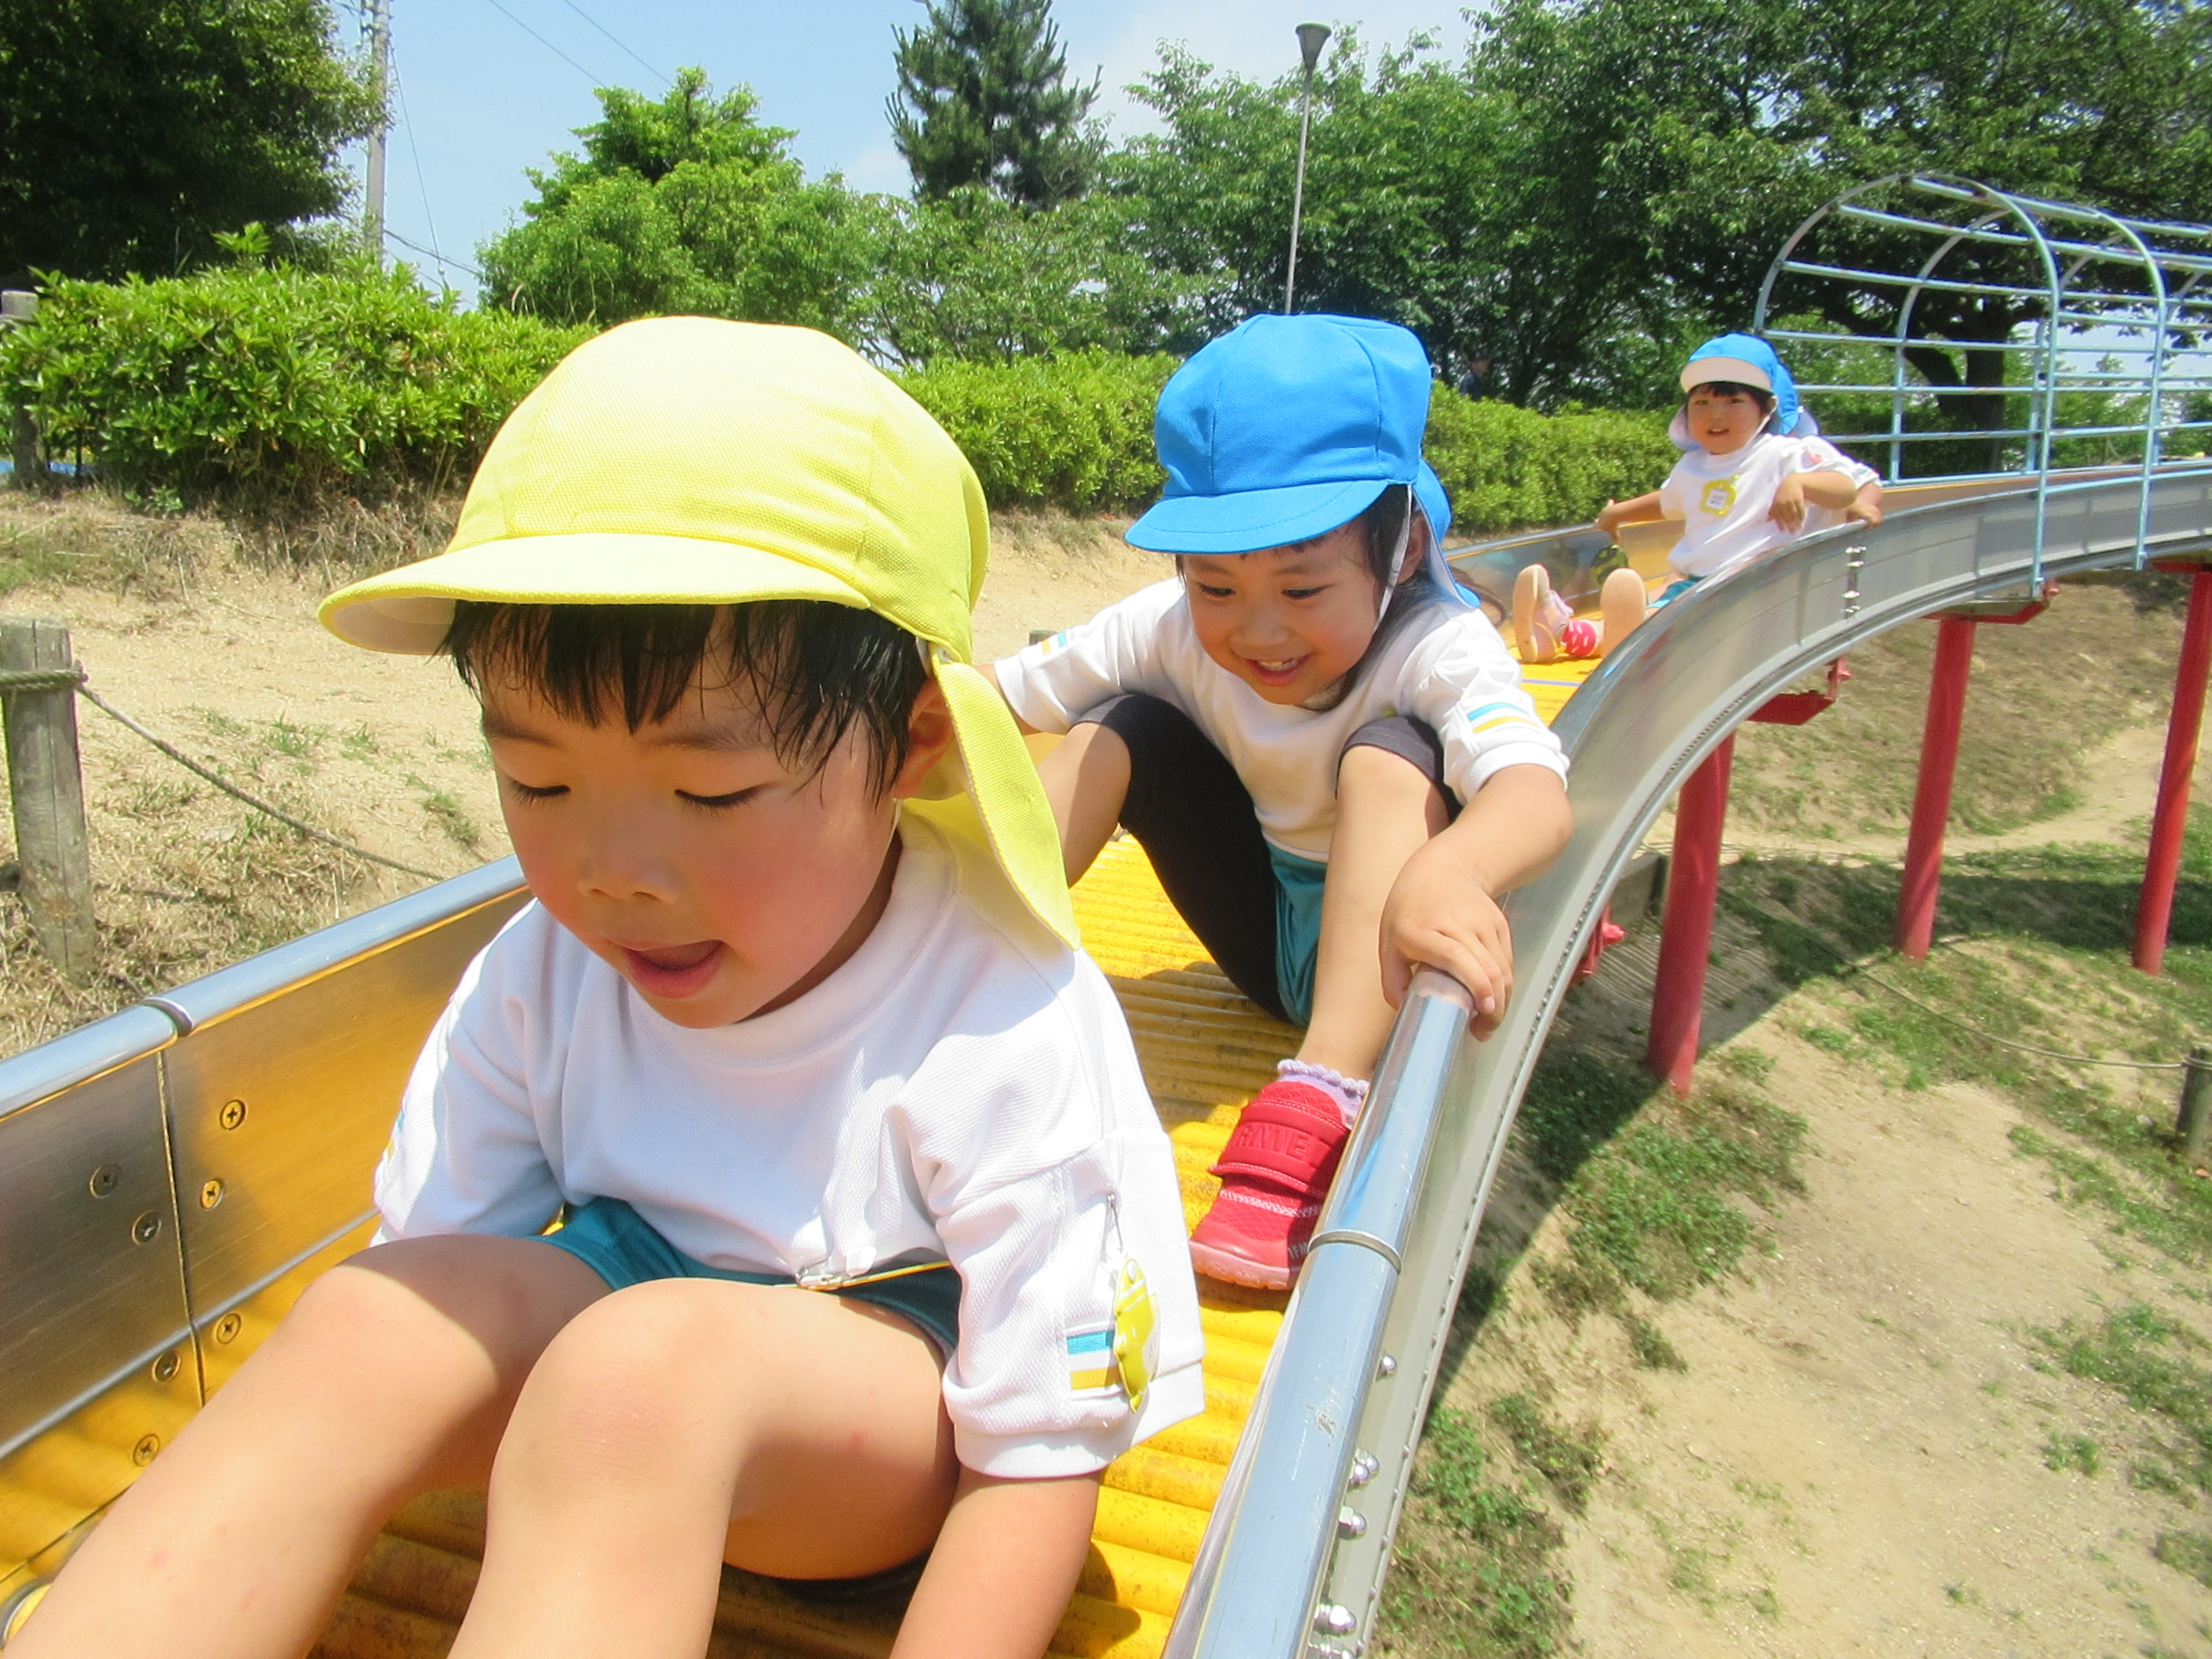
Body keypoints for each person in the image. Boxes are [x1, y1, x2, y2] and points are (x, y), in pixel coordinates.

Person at [9, 319, 1205, 1659]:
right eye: (540, 781)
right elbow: (436, 1291)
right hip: (619, 1347)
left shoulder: (1001, 1010)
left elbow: (1042, 1455)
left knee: (640, 1376)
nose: (613, 874)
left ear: (912, 742)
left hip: (890, 1427)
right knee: (363, 1316)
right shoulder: (546, 967)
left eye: (711, 792)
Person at [986, 314, 1573, 1289]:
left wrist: (1452, 869)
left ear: (1402, 549)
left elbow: (1535, 793)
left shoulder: (1438, 643)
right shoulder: (1168, 629)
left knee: (1394, 749)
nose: (1258, 632)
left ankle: (1322, 1095)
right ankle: (964, 962)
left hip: (1391, 957)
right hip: (1265, 937)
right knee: (1125, 723)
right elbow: (989, 702)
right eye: (1215, 587)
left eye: (1302, 591)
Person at [1514, 333, 1883, 662]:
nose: (1715, 415)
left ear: (1766, 409)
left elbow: (1845, 488)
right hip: (1698, 583)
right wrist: (1618, 513)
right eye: (1701, 403)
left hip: (1755, 589)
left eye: (1734, 401)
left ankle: (1588, 631)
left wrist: (1800, 483)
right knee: (1653, 609)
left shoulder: (1787, 453)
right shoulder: (1693, 465)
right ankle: (1561, 628)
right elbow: (1668, 502)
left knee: (1656, 617)